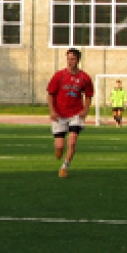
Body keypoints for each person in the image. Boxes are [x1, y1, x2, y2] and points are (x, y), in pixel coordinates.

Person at [46, 48, 94, 178]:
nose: (70, 61)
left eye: (72, 59)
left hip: (76, 114)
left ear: (78, 60)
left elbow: (89, 96)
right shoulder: (59, 76)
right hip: (60, 114)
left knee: (72, 142)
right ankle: (59, 149)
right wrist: (52, 111)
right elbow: (50, 94)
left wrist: (85, 109)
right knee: (60, 145)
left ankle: (64, 167)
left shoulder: (85, 78)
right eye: (68, 59)